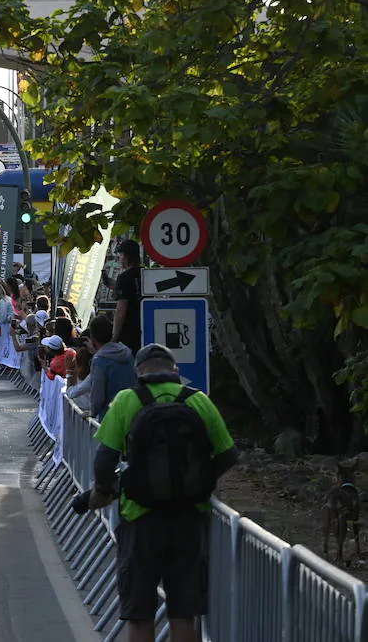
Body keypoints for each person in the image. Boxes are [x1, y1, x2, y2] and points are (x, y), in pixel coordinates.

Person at [87, 344, 237, 642]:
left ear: (138, 373)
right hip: (190, 520)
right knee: (183, 613)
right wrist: (199, 484)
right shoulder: (199, 401)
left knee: (139, 614)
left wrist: (109, 489)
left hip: (140, 519)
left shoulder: (128, 400)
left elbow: (104, 459)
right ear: (175, 372)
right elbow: (228, 454)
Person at [77, 314, 134, 421]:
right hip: (132, 411)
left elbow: (98, 394)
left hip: (110, 416)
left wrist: (93, 412)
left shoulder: (99, 360)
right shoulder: (127, 352)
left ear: (92, 337)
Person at [112, 240, 143, 353]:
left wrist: (114, 337)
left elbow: (121, 310)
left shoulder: (124, 278)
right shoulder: (146, 274)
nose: (120, 259)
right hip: (149, 327)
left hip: (130, 333)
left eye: (120, 255)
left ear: (125, 256)